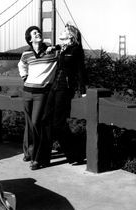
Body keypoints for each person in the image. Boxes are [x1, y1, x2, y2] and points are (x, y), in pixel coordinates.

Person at [42, 23, 87, 165]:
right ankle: (42, 157)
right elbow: (57, 47)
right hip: (55, 86)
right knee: (45, 119)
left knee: (58, 124)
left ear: (71, 35)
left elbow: (81, 70)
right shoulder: (63, 48)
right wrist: (52, 47)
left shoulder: (76, 50)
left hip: (65, 87)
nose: (62, 31)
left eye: (65, 30)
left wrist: (83, 91)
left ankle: (75, 154)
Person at [18, 26, 58, 170]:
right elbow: (21, 65)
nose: (38, 33)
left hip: (41, 93)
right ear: (30, 39)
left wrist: (54, 47)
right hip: (27, 91)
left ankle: (36, 157)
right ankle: (28, 152)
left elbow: (64, 49)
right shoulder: (26, 54)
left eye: (39, 32)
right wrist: (24, 77)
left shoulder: (52, 51)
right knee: (29, 123)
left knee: (36, 123)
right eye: (35, 33)